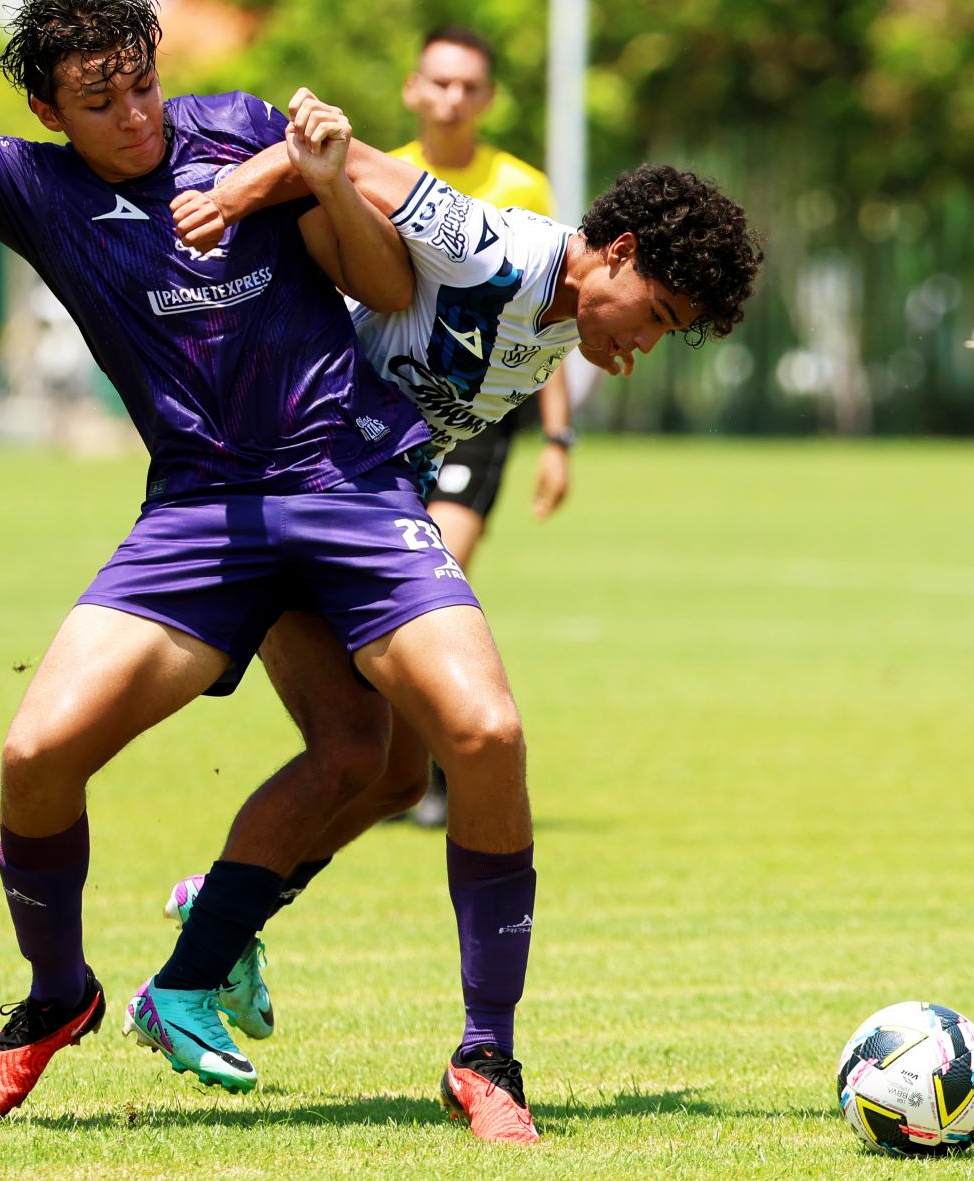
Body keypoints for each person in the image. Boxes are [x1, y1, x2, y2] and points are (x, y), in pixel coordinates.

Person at [0, 0, 545, 1142]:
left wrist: (318, 173)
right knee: (34, 756)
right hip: (200, 515)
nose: (132, 114)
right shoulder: (33, 186)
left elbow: (376, 283)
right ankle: (57, 997)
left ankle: (486, 1055)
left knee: (471, 735)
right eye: (97, 100)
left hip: (346, 482)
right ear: (49, 111)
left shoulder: (242, 133)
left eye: (140, 84)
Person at [160, 87, 761, 1139]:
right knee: (479, 732)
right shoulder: (503, 247)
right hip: (312, 484)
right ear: (614, 252)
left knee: (382, 766)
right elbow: (350, 165)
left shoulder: (562, 316)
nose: (647, 345)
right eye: (657, 316)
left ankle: (205, 939)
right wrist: (232, 192)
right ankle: (486, 1053)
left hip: (341, 496)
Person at [389, 24, 571, 828]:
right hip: (392, 415)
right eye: (440, 83)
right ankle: (393, 768)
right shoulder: (389, 172)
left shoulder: (520, 186)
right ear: (413, 89)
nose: (453, 98)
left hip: (483, 421)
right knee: (386, 591)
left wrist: (558, 440)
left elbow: (554, 320)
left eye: (469, 86)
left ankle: (441, 768)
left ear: (488, 98)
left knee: (438, 570)